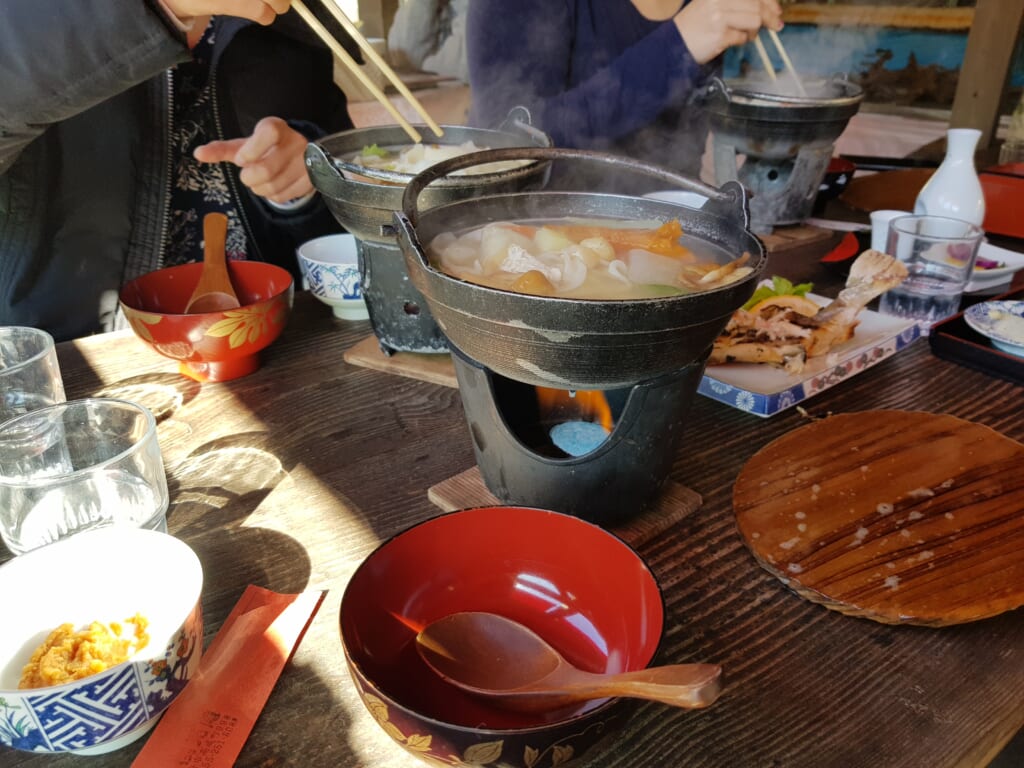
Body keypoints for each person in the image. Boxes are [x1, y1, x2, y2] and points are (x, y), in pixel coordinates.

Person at [0, 0, 357, 341]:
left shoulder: (286, 19)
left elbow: (342, 186)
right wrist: (147, 12)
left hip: (270, 331)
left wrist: (300, 181)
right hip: (70, 349)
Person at [466, 0, 783, 187]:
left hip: (675, 236)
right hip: (539, 246)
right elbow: (506, 147)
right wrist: (676, 49)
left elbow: (681, 148)